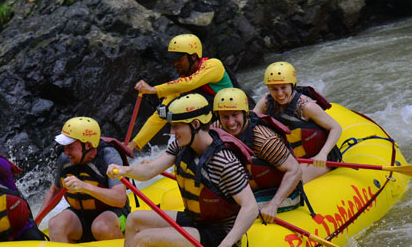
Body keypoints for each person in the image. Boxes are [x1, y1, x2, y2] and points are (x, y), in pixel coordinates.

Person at [108, 93, 258, 247]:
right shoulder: (180, 147)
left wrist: (226, 244)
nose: (172, 132)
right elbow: (150, 170)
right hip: (196, 221)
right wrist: (124, 170)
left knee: (144, 238)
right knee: (134, 219)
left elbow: (250, 207)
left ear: (195, 124)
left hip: (221, 233)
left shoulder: (224, 160)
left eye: (176, 126)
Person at [127, 34, 234, 151]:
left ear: (193, 56)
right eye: (174, 60)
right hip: (211, 127)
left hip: (234, 116)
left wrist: (154, 89)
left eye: (179, 59)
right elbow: (159, 115)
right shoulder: (180, 84)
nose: (175, 63)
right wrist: (134, 144)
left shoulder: (213, 65)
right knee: (165, 111)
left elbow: (191, 83)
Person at [212, 88, 304, 223]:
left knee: (230, 213)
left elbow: (295, 170)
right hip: (249, 191)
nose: (231, 123)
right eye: (225, 116)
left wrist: (273, 204)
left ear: (245, 113)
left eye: (235, 115)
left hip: (280, 193)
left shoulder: (263, 139)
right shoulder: (217, 129)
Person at [253, 62, 343, 183]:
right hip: (289, 158)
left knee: (291, 182)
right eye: (274, 89)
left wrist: (323, 154)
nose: (279, 93)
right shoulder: (266, 103)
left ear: (292, 85)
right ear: (269, 88)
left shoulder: (306, 107)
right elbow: (250, 125)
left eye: (283, 87)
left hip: (318, 158)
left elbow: (336, 128)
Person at [44, 117, 130, 243]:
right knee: (55, 225)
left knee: (101, 227)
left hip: (112, 214)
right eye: (64, 147)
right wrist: (37, 221)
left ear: (88, 145)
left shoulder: (108, 156)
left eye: (70, 147)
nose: (66, 152)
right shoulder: (65, 159)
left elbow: (120, 199)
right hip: (82, 215)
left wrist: (85, 187)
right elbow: (55, 190)